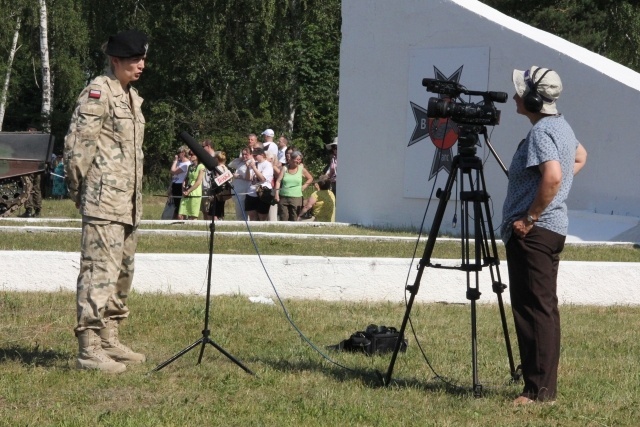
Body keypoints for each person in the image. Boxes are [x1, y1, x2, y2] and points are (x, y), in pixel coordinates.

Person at [63, 29, 149, 373]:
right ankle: (89, 346)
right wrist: (78, 190)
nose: (141, 65)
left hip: (128, 203)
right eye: (133, 60)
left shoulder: (130, 96)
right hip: (103, 200)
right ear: (115, 61)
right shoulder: (98, 93)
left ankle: (110, 337)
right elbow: (78, 144)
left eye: (142, 59)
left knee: (122, 273)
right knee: (98, 272)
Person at [503, 66, 587, 405]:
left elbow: (552, 175)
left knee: (533, 309)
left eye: (521, 91)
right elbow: (580, 157)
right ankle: (541, 385)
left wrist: (530, 216)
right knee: (543, 307)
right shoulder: (561, 127)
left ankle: (537, 392)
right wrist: (560, 186)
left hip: (536, 232)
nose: (515, 96)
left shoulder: (541, 133)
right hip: (552, 230)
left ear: (534, 99)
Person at [274, 150, 313, 221]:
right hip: (284, 197)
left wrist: (304, 186)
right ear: (291, 159)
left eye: (300, 160)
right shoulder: (285, 168)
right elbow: (278, 181)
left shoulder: (301, 169)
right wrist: (276, 194)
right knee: (283, 217)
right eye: (297, 159)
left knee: (294, 218)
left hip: (296, 197)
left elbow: (310, 178)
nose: (298, 161)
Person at [244, 147, 273, 221]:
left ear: (262, 155)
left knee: (262, 215)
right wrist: (248, 168)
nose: (254, 157)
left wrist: (254, 168)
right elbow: (248, 178)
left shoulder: (267, 165)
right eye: (253, 156)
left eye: (256, 156)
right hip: (251, 191)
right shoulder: (254, 163)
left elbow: (262, 179)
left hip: (262, 192)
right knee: (252, 215)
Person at [20, 125, 43, 217]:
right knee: (36, 189)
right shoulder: (40, 142)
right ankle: (38, 210)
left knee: (28, 188)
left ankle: (28, 210)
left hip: (29, 167)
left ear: (29, 131)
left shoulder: (28, 142)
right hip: (38, 167)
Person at [178, 150, 206, 220]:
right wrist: (183, 188)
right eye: (189, 155)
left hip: (195, 192)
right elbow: (186, 178)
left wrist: (189, 190)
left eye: (192, 154)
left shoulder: (201, 167)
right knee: (180, 215)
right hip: (187, 191)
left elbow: (198, 181)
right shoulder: (190, 166)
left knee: (192, 215)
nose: (190, 156)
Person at [229, 147, 252, 220]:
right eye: (243, 154)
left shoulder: (251, 163)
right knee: (239, 213)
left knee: (241, 213)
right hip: (237, 190)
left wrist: (239, 176)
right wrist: (240, 158)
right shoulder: (241, 162)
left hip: (244, 191)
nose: (244, 156)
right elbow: (230, 164)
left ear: (250, 154)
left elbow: (250, 178)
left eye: (246, 154)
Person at [170, 146, 191, 219]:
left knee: (180, 205)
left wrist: (175, 161)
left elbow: (173, 171)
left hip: (180, 185)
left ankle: (181, 218)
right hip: (175, 184)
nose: (178, 155)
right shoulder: (180, 163)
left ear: (183, 153)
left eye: (179, 153)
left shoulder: (186, 164)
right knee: (176, 204)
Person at [212, 151, 231, 220]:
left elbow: (218, 180)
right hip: (224, 190)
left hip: (218, 190)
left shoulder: (217, 168)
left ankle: (217, 221)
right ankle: (221, 218)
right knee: (221, 208)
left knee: (215, 210)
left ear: (217, 159)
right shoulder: (225, 167)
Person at [200, 140, 216, 221]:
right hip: (203, 187)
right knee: (204, 210)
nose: (201, 148)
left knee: (210, 210)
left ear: (209, 146)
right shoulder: (203, 158)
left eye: (203, 146)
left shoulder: (216, 157)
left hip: (210, 188)